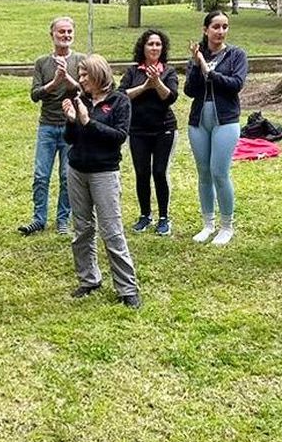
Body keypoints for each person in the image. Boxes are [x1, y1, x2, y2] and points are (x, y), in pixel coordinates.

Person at [63, 55, 140, 308]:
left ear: (99, 75)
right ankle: (89, 279)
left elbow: (118, 136)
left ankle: (127, 288)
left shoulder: (119, 101)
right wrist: (72, 120)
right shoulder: (81, 99)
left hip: (104, 172)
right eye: (80, 75)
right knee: (82, 229)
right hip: (77, 169)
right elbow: (71, 138)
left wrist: (88, 121)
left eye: (85, 75)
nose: (81, 79)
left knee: (111, 230)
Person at [185, 10, 249, 245]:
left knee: (219, 172)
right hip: (199, 120)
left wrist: (209, 71)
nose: (221, 31)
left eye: (225, 27)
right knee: (203, 173)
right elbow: (190, 91)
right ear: (206, 30)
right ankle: (208, 224)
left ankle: (226, 226)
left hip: (226, 120)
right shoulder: (197, 54)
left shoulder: (236, 55)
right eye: (216, 27)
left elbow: (235, 85)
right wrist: (196, 65)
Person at [19, 17, 82, 236]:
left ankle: (63, 220)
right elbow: (35, 95)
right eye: (61, 32)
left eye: (69, 31)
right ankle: (39, 219)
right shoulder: (42, 63)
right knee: (41, 174)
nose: (66, 35)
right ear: (52, 35)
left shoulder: (81, 60)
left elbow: (88, 90)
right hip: (47, 126)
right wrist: (54, 83)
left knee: (67, 176)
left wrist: (68, 80)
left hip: (71, 127)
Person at [120, 29, 179, 236]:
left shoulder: (168, 71)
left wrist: (157, 82)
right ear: (143, 47)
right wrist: (145, 86)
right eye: (150, 44)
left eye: (158, 44)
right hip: (137, 130)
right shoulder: (133, 71)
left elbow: (170, 97)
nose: (154, 48)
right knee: (142, 173)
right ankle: (145, 215)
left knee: (160, 172)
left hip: (164, 130)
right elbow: (121, 95)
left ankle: (164, 218)